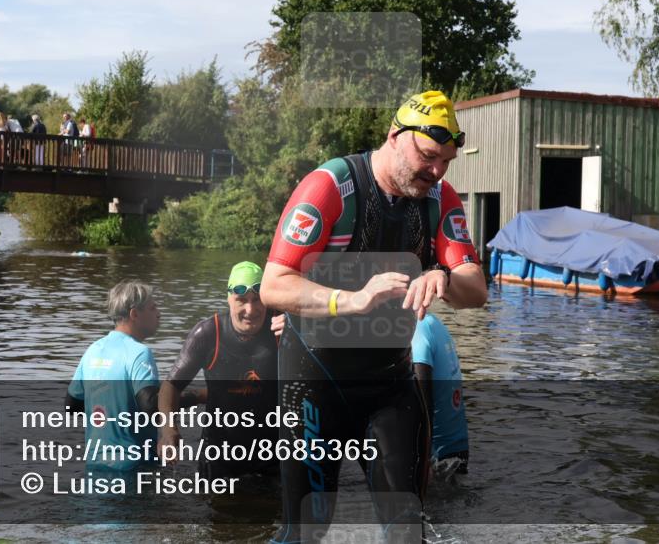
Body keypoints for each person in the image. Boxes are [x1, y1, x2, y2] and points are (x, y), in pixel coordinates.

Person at [261, 90, 487, 542]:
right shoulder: (330, 186)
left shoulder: (440, 199)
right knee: (306, 531)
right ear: (394, 137)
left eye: (446, 161)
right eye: (427, 157)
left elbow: (475, 290)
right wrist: (354, 299)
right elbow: (274, 286)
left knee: (407, 531)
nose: (437, 171)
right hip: (315, 383)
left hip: (389, 385)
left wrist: (442, 276)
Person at [159, 262, 284, 479]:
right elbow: (170, 386)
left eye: (257, 300)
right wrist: (169, 430)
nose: (250, 310)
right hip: (218, 455)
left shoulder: (281, 329)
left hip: (271, 457)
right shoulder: (207, 334)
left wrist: (299, 328)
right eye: (241, 300)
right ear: (228, 298)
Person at [66, 280, 161, 472]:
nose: (159, 313)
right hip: (135, 467)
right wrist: (193, 398)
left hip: (95, 463)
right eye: (153, 308)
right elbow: (151, 407)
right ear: (134, 314)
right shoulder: (139, 353)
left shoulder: (93, 350)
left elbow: (72, 407)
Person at [412, 313, 469, 480]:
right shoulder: (432, 322)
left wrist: (423, 460)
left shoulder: (416, 331)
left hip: (436, 460)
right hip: (457, 450)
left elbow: (422, 404)